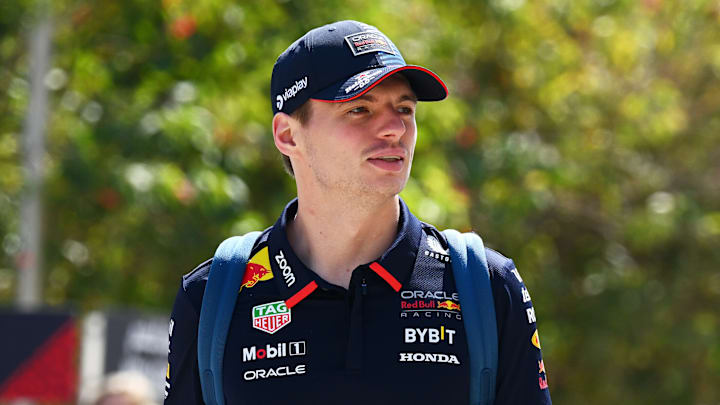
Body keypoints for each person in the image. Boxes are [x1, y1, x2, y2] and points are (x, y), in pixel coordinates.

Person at [164, 20, 551, 404]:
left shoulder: (486, 285)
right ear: (287, 135)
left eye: (404, 108)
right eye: (360, 109)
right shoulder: (213, 295)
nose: (394, 128)